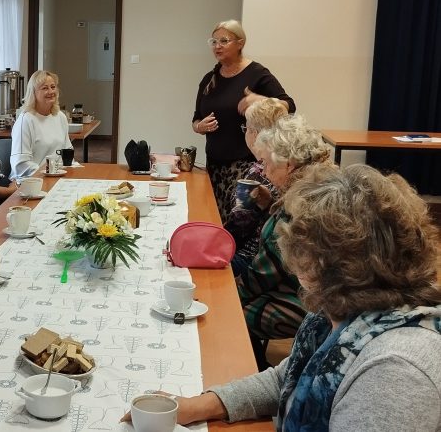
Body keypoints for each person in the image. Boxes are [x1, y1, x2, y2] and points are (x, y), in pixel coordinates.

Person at [125, 164, 441, 430]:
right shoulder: (341, 312)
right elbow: (287, 379)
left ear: (324, 262)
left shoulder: (394, 373)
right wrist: (199, 405)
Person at [238, 115, 331, 369]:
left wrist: (229, 298)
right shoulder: (319, 181)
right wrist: (269, 204)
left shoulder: (298, 203)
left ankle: (254, 371)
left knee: (232, 316)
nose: (264, 171)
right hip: (312, 288)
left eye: (267, 163)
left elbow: (265, 272)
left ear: (288, 165)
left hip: (312, 300)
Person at [192, 19, 296, 223]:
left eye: (224, 41)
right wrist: (199, 126)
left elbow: (289, 105)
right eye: (213, 41)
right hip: (214, 165)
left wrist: (260, 99)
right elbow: (196, 118)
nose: (217, 46)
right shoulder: (209, 79)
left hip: (245, 165)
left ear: (240, 43)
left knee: (238, 223)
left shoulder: (257, 74)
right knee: (216, 219)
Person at [224, 98, 287, 277]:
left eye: (246, 128)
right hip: (267, 259)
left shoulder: (259, 172)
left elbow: (240, 226)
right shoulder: (277, 165)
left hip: (251, 259)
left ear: (255, 133)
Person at [10, 70, 74, 178]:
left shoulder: (60, 117)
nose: (51, 91)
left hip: (56, 176)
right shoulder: (25, 120)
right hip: (30, 180)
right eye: (45, 88)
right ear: (33, 93)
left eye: (53, 87)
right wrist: (48, 172)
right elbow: (20, 165)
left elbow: (67, 154)